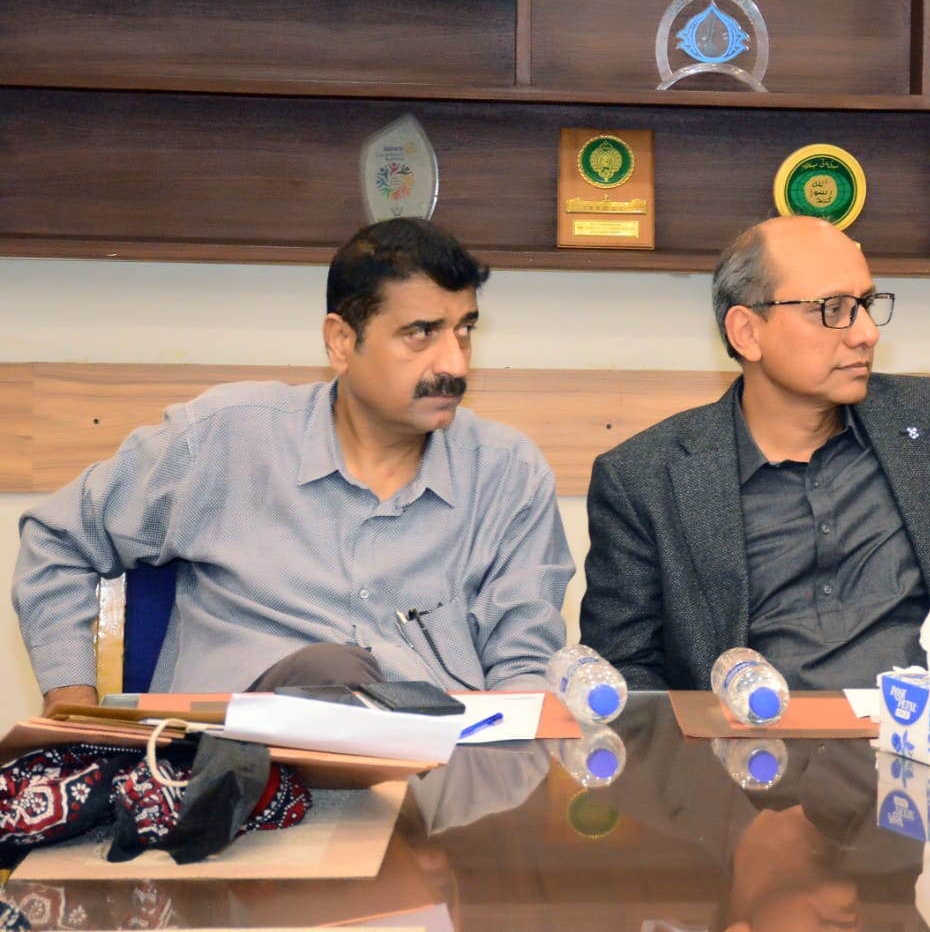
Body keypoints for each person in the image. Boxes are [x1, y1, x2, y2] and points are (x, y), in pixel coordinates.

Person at [13, 218, 574, 712]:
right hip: (234, 763)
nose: (454, 364)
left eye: (464, 331)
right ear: (341, 341)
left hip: (430, 766)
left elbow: (524, 664)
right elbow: (60, 538)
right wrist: (70, 703)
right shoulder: (225, 438)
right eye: (421, 333)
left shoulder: (508, 475)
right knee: (331, 672)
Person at [580, 215, 930, 690]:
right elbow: (626, 673)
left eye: (866, 304)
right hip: (756, 747)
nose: (867, 333)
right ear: (747, 333)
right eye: (833, 310)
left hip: (928, 740)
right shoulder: (647, 479)